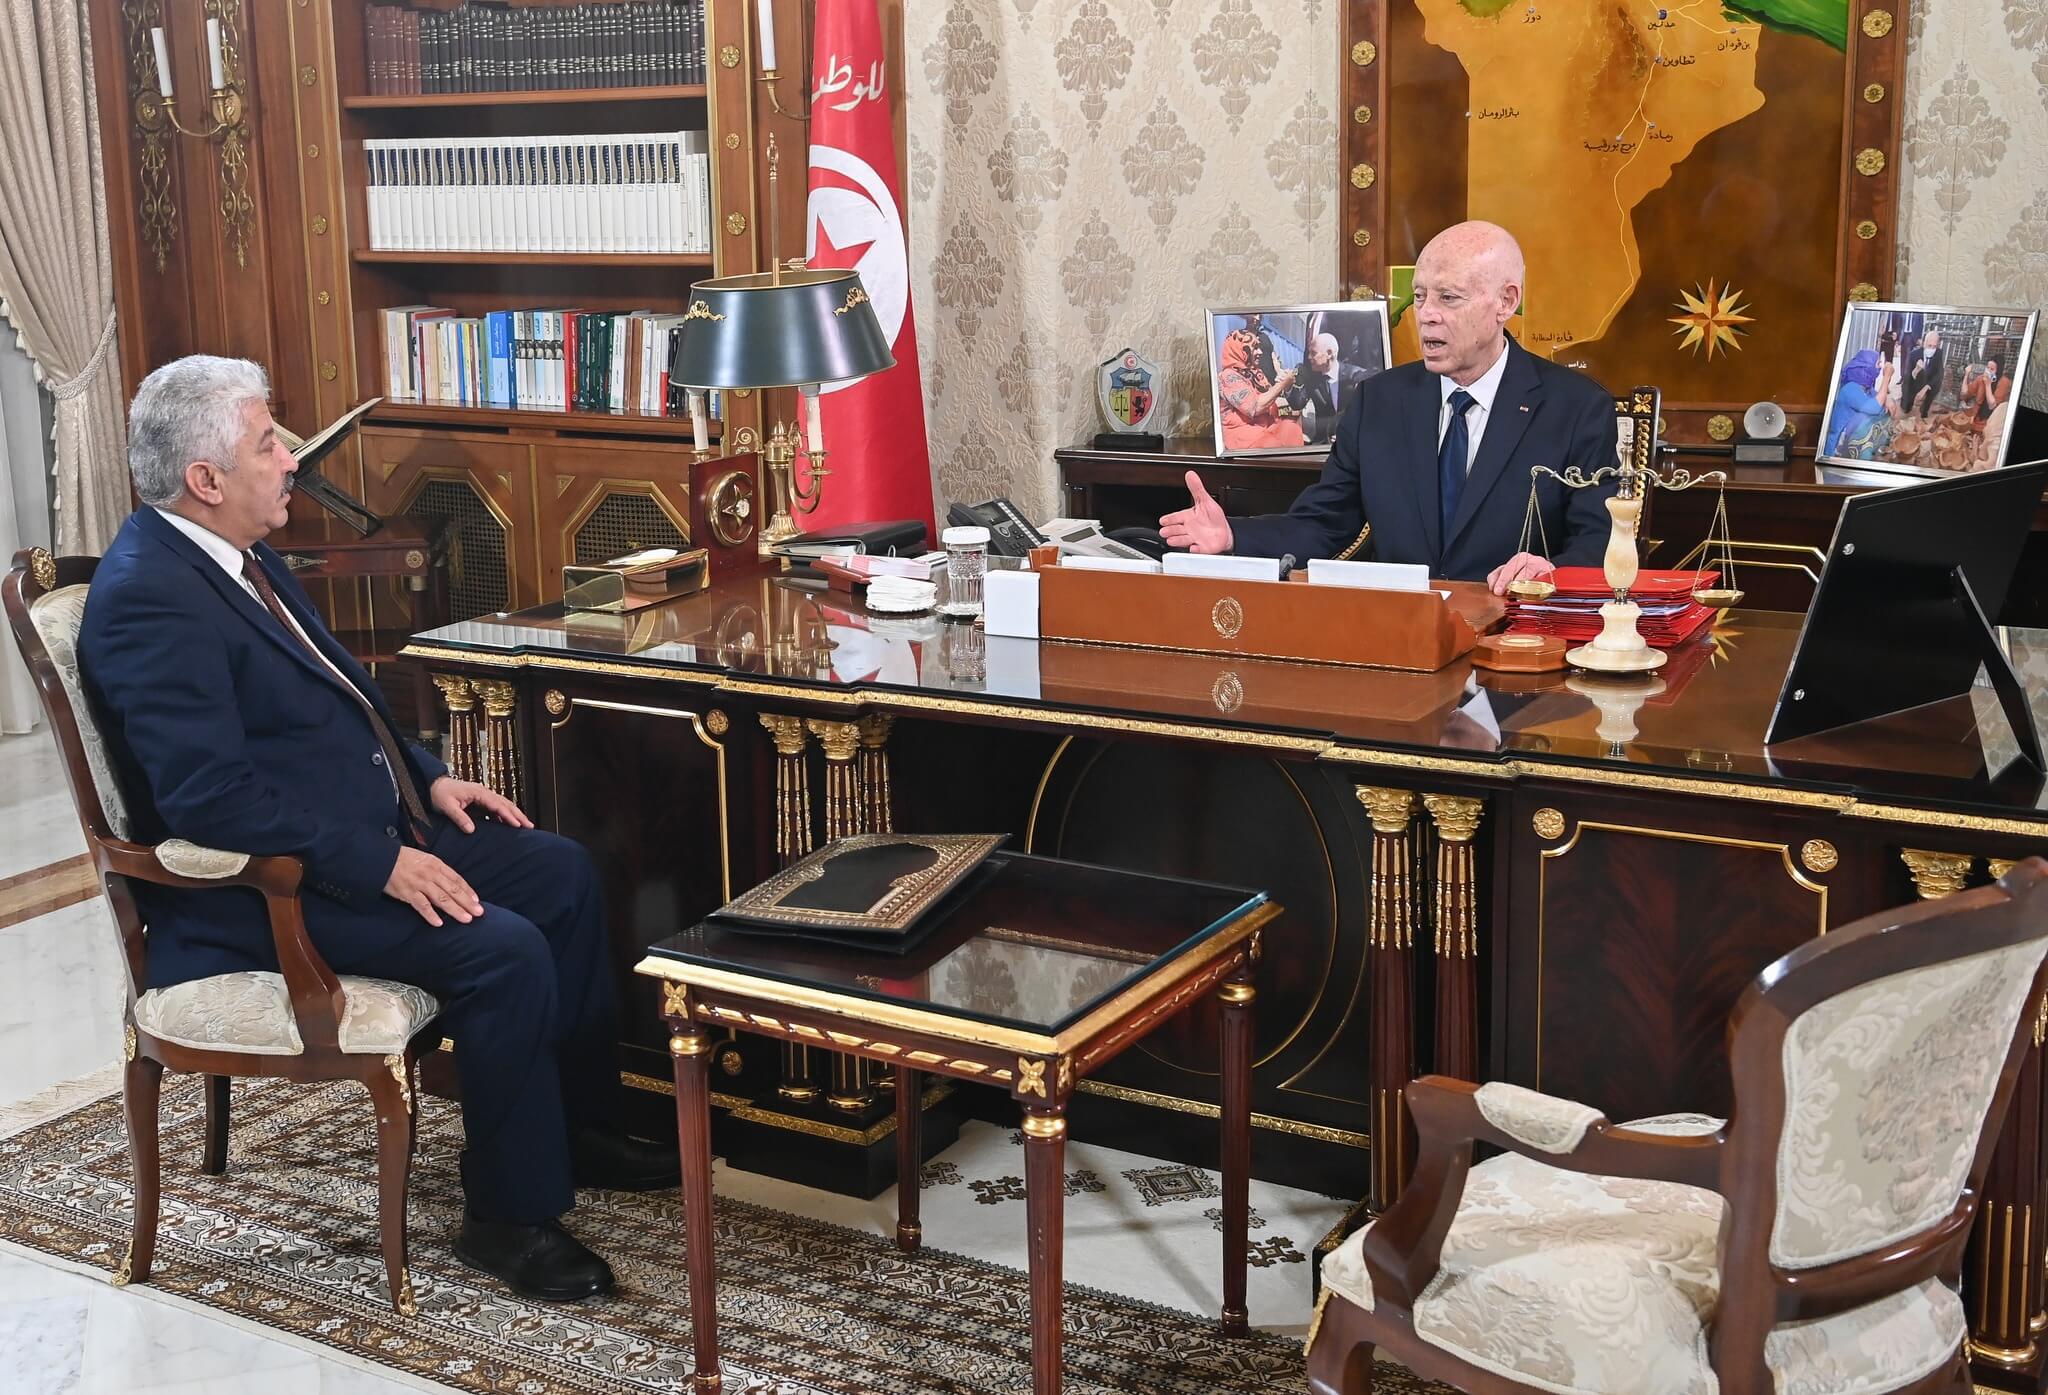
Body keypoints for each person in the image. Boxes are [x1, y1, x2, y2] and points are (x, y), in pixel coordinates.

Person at [79, 356, 676, 1304]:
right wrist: (381, 862)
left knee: (561, 874)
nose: (290, 459)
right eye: (268, 444)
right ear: (205, 478)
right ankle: (508, 1217)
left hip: (357, 832)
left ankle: (580, 1127)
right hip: (258, 894)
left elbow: (345, 698)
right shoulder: (149, 596)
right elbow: (208, 799)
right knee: (503, 950)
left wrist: (428, 781)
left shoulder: (238, 550)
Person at [1163, 221, 1616, 593]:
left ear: (1506, 302)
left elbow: (1600, 542)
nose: (1426, 314)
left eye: (1448, 297)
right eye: (1419, 296)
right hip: (1401, 637)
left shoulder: (1576, 408)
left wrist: (1549, 574)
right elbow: (1325, 524)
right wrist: (1234, 536)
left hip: (1517, 640)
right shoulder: (1379, 401)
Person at [1214, 320, 1303, 451]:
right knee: (1271, 445)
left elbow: (1270, 397)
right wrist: (1282, 384)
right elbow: (1255, 408)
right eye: (1255, 347)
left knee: (1292, 430)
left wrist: (1285, 384)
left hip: (1266, 425)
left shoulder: (1256, 372)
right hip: (1243, 431)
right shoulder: (1228, 376)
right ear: (1239, 350)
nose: (1260, 352)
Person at [1293, 332, 1373, 445]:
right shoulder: (1312, 379)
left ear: (1329, 353)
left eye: (1313, 353)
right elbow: (1297, 404)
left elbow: (1369, 414)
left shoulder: (1355, 376)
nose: (1309, 357)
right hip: (1323, 442)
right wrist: (1288, 385)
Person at [1823, 348, 1891, 459]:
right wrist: (1886, 378)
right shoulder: (1850, 389)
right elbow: (1875, 407)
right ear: (1867, 367)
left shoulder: (1865, 387)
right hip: (1837, 451)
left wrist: (1887, 400)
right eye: (1878, 363)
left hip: (1851, 442)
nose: (1880, 367)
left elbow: (1880, 401)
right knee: (1867, 417)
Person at [1904, 328, 1946, 419]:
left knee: (1937, 383)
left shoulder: (1938, 353)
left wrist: (1926, 387)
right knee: (1905, 405)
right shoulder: (1913, 354)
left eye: (1934, 346)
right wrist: (1916, 370)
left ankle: (1925, 408)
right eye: (1929, 345)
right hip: (1916, 379)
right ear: (1923, 343)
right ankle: (1908, 403)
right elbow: (1906, 376)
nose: (1931, 349)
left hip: (1928, 381)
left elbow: (1940, 373)